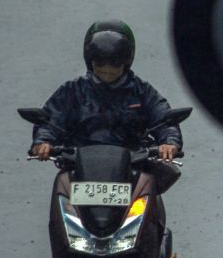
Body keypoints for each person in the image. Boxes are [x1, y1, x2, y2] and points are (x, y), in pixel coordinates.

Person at [29, 20, 182, 162]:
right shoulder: (72, 91)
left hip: (132, 167)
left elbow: (164, 120)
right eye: (100, 62)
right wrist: (44, 142)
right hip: (78, 167)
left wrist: (169, 143)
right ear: (90, 60)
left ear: (126, 62)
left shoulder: (142, 92)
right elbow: (50, 121)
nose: (107, 69)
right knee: (62, 186)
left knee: (153, 182)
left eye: (115, 62)